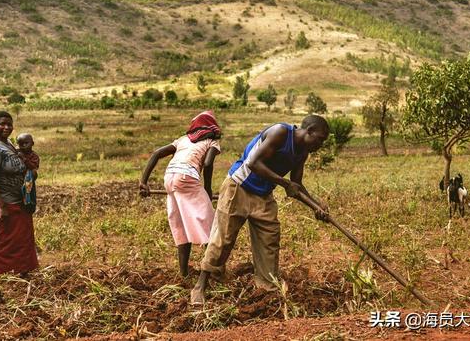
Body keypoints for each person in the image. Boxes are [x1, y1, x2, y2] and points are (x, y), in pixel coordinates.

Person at [190, 114, 330, 305]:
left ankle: (267, 289)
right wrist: (283, 182)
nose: (320, 144)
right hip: (239, 186)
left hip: (263, 194)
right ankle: (200, 286)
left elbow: (296, 185)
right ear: (309, 131)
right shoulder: (280, 132)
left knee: (269, 240)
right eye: (320, 139)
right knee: (223, 239)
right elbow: (253, 163)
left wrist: (316, 206)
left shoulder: (302, 152)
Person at [139, 110, 222, 277]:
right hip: (187, 178)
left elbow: (156, 153)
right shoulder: (212, 142)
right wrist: (207, 190)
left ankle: (184, 273)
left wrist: (143, 182)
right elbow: (207, 163)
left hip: (169, 179)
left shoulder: (183, 140)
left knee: (180, 225)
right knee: (209, 223)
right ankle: (212, 272)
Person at [0, 111, 38, 280]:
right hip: (5, 202)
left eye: (9, 124)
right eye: (2, 124)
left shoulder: (9, 144)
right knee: (1, 240)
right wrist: (1, 206)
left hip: (20, 201)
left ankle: (23, 273)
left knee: (23, 238)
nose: (6, 127)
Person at [17, 133, 39, 214]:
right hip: (19, 177)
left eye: (26, 143)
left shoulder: (34, 156)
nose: (24, 145)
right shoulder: (17, 152)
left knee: (28, 190)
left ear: (32, 143)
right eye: (21, 144)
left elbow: (33, 167)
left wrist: (23, 158)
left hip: (28, 177)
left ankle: (29, 202)